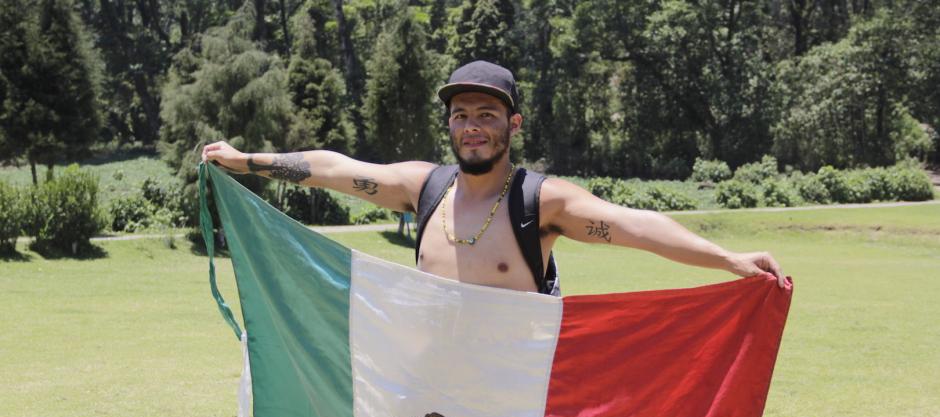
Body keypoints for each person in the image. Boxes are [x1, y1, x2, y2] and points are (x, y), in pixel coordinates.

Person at [202, 60, 785, 293]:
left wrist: (730, 260)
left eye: (487, 115)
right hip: (436, 397)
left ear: (513, 123)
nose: (472, 127)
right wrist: (247, 161)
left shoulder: (541, 201)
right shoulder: (423, 188)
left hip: (519, 404)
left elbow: (634, 226)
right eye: (461, 116)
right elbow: (335, 168)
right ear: (450, 125)